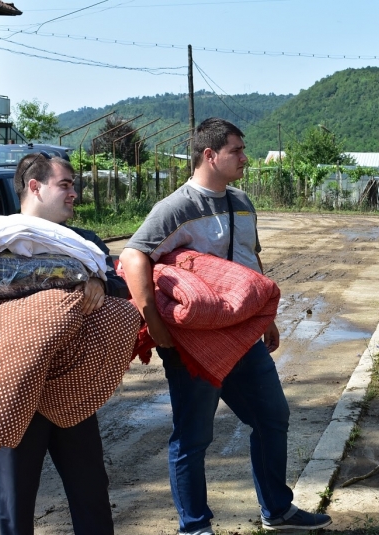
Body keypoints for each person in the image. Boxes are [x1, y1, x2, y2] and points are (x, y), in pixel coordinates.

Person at [119, 117, 332, 535]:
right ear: (210, 155)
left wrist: (264, 318)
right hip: (195, 345)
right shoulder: (175, 208)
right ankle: (194, 526)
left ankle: (278, 510)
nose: (244, 157)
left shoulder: (242, 201)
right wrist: (154, 324)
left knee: (273, 418)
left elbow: (252, 260)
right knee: (193, 437)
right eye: (236, 150)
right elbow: (132, 257)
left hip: (243, 338)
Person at [0, 152, 129, 534]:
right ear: (35, 187)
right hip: (15, 391)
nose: (74, 194)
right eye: (65, 185)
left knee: (91, 496)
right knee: (15, 504)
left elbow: (122, 283)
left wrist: (100, 282)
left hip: (71, 386)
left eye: (73, 185)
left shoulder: (82, 242)